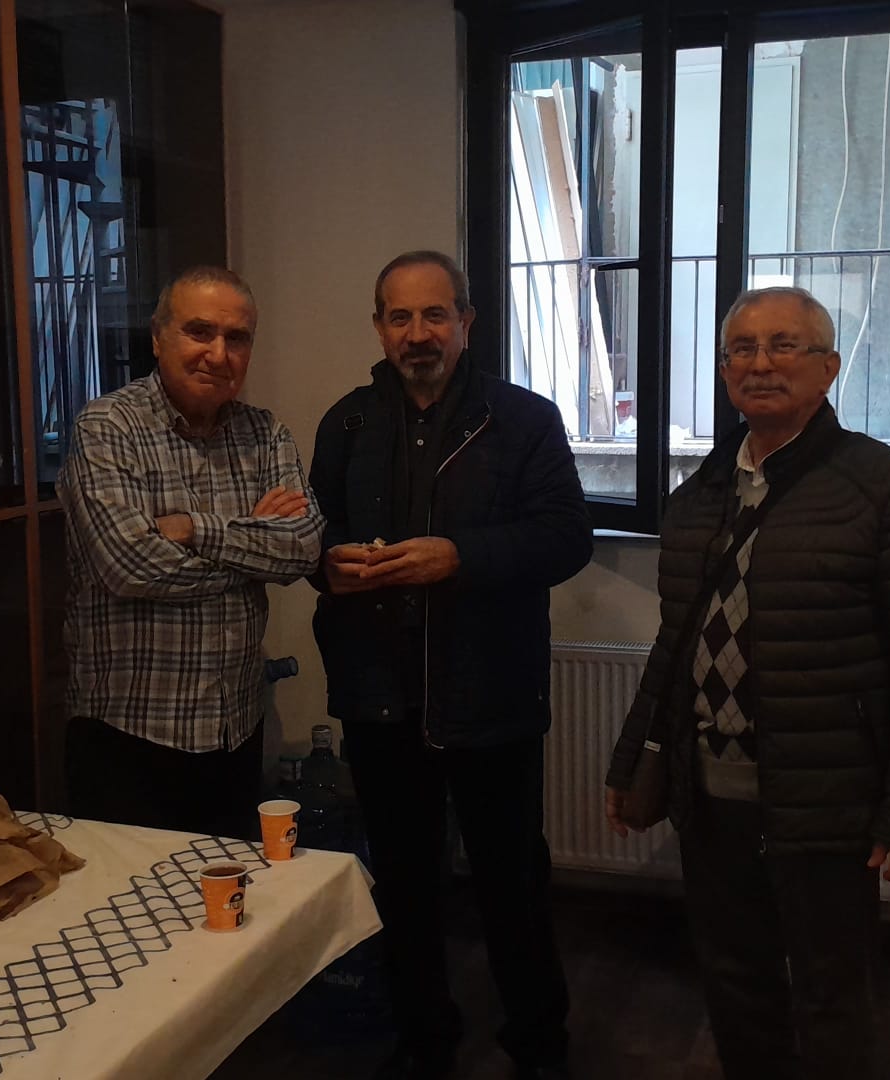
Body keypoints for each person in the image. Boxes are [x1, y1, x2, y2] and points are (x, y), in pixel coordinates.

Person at [604, 286, 890, 1079]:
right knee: (734, 985)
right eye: (742, 349)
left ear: (829, 367)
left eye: (784, 345)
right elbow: (676, 648)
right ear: (725, 371)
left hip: (828, 802)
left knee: (833, 998)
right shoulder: (700, 495)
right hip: (710, 801)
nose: (761, 363)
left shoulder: (884, 488)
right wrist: (634, 760)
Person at [307, 250, 591, 1079]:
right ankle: (424, 1041)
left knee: (513, 886)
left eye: (436, 314)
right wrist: (325, 564)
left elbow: (566, 538)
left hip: (491, 697)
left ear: (467, 321)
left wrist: (458, 556)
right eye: (400, 316)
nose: (418, 333)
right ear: (379, 328)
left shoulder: (523, 419)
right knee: (402, 886)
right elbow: (314, 538)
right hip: (379, 698)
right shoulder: (346, 424)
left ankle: (538, 1047)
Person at [57, 266, 324, 840]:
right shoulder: (108, 427)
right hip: (129, 734)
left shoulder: (264, 433)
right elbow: (129, 566)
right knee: (129, 895)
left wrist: (191, 528)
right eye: (199, 331)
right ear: (158, 338)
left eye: (237, 337)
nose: (218, 354)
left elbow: (303, 549)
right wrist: (253, 547)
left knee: (227, 892)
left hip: (235, 729)